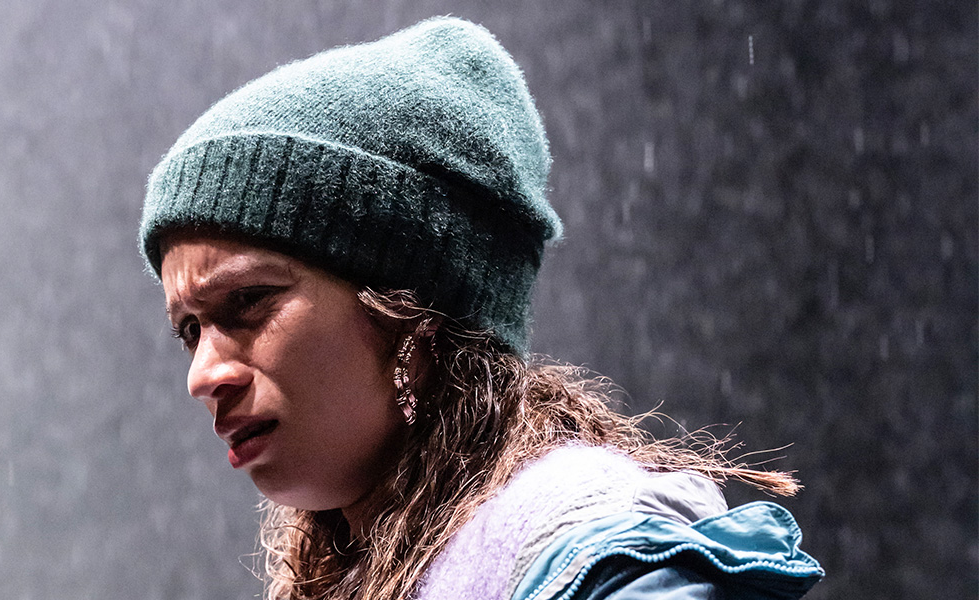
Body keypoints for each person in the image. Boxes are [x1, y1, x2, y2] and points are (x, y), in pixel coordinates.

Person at [138, 17, 823, 600]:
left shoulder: (601, 560)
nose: (204, 375)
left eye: (248, 302)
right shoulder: (364, 559)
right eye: (189, 330)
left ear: (410, 306)